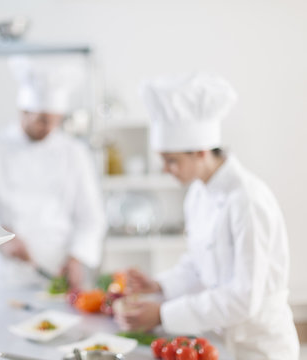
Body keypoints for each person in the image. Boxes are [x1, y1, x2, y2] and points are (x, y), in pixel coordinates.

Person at [113, 73, 300, 359]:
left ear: (201, 152)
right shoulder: (198, 193)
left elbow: (242, 298)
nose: (165, 169)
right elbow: (198, 266)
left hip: (259, 347)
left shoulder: (247, 200)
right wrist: (159, 285)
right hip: (220, 340)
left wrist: (163, 314)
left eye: (171, 161)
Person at [0, 56, 107, 293]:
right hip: (9, 275)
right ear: (24, 111)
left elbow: (91, 217)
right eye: (42, 120)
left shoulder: (74, 153)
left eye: (55, 122)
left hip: (61, 269)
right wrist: (0, 237)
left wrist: (78, 257)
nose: (48, 128)